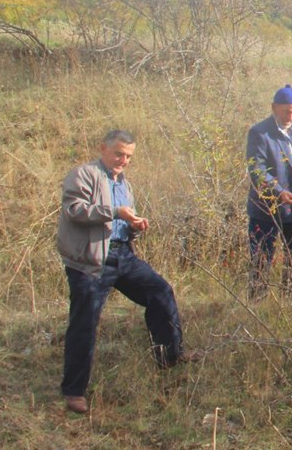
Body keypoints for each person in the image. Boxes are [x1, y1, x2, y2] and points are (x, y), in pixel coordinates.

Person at [57, 129, 198, 415]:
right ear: (103, 148)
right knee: (85, 322)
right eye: (119, 153)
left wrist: (133, 226)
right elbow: (75, 209)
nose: (123, 160)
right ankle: (73, 391)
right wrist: (115, 212)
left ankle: (169, 356)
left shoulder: (124, 183)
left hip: (122, 255)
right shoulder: (83, 174)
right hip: (89, 261)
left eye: (128, 156)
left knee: (160, 291)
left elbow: (120, 223)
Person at [246, 84, 292, 299]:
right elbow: (256, 169)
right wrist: (279, 192)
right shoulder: (260, 132)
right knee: (261, 258)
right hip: (266, 207)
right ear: (274, 107)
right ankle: (257, 303)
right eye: (286, 111)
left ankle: (291, 299)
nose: (290, 116)